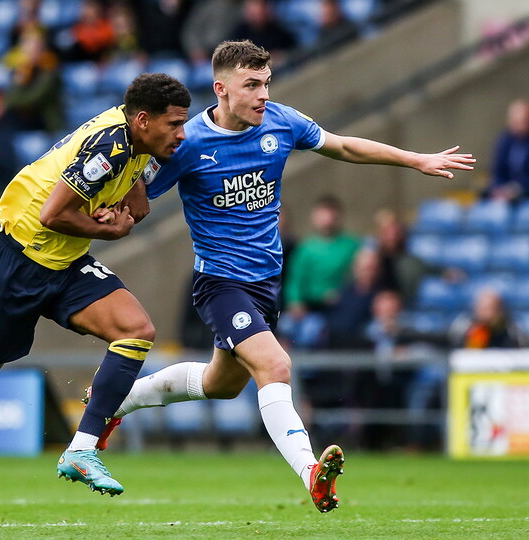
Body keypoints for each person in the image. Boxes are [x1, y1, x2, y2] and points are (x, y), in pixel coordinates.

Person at [89, 40, 474, 512]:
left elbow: (344, 145)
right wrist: (105, 214)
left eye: (266, 83)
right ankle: (312, 472)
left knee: (220, 384)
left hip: (265, 284)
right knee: (276, 366)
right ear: (221, 89)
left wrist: (415, 159)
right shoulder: (186, 144)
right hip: (220, 284)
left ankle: (110, 402)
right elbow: (135, 189)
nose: (262, 94)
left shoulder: (281, 122)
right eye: (251, 85)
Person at [0, 73, 192, 498]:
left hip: (65, 264)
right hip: (16, 262)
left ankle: (82, 449)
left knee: (136, 330)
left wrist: (126, 213)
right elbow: (52, 214)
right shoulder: (110, 146)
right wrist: (111, 232)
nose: (182, 134)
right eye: (174, 125)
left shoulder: (137, 143)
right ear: (142, 120)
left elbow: (137, 207)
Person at [488, 99, 529, 202]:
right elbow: (497, 171)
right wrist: (501, 188)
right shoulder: (504, 141)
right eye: (515, 122)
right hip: (506, 195)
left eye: (523, 121)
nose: (519, 126)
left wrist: (519, 189)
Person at [448, 289, 529, 348]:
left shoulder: (512, 331)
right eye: (480, 308)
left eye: (488, 308)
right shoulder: (464, 328)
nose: (483, 313)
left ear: (499, 310)